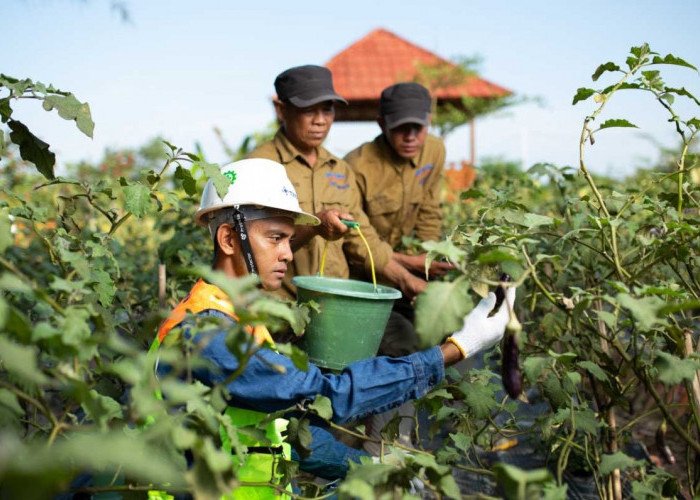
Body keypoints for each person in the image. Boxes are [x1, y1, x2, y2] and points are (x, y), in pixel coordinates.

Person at [154, 158, 516, 498]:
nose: (288, 254)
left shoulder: (233, 317)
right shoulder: (207, 335)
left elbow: (286, 430)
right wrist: (459, 347)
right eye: (276, 238)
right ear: (230, 240)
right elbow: (327, 395)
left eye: (288, 239)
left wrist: (369, 466)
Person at [246, 65, 426, 303]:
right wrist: (314, 226)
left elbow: (362, 239)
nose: (320, 121)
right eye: (308, 110)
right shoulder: (259, 166)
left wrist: (407, 280)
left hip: (336, 303)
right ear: (282, 110)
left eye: (327, 109)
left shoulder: (339, 169)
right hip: (281, 308)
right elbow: (249, 249)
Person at [345, 83, 453, 452]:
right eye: (400, 128)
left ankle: (396, 438)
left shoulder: (434, 151)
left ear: (428, 122)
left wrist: (429, 263)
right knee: (401, 351)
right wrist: (409, 275)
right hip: (366, 284)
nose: (410, 137)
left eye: (417, 128)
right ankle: (377, 447)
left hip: (407, 279)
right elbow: (360, 244)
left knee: (442, 337)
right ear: (381, 124)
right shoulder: (356, 166)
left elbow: (429, 214)